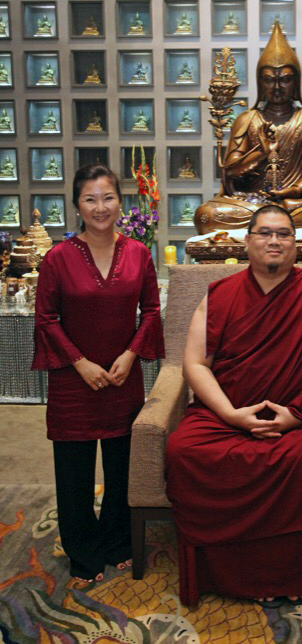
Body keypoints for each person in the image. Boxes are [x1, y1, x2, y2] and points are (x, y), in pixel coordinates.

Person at [165, 205, 302, 604]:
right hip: (232, 411)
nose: (274, 241)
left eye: (283, 234)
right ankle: (236, 577)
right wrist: (231, 414)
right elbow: (194, 364)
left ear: (295, 245)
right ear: (246, 242)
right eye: (264, 233)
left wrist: (295, 416)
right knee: (185, 450)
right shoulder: (221, 295)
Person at [32, 165, 164, 583]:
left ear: (120, 203)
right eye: (90, 199)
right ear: (76, 206)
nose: (100, 207)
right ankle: (83, 550)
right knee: (74, 471)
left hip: (123, 377)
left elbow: (153, 312)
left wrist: (131, 354)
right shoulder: (57, 258)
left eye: (107, 197)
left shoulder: (139, 253)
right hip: (75, 380)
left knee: (122, 465)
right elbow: (47, 319)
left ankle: (117, 540)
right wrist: (80, 362)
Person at [194, 22, 302, 233]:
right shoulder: (247, 120)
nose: (277, 87)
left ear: (295, 82)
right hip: (252, 204)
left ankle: (272, 222)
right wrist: (261, 152)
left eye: (285, 80)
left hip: (296, 205)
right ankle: (269, 224)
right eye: (269, 80)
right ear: (260, 83)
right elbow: (231, 172)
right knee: (207, 215)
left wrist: (294, 190)